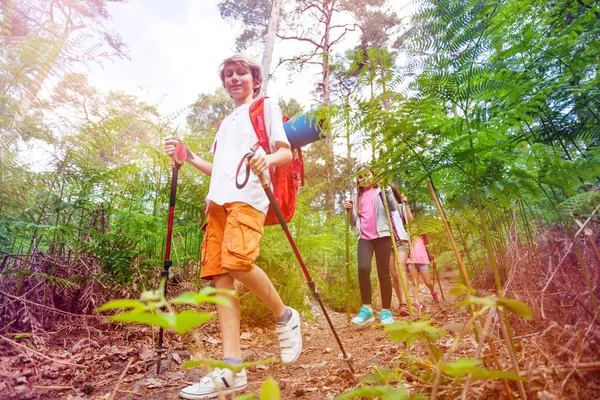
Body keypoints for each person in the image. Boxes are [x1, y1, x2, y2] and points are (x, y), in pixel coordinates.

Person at [164, 55, 302, 399]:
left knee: (238, 262)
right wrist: (190, 157)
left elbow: (284, 152)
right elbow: (221, 169)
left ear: (254, 79)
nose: (234, 79)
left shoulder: (265, 106)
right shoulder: (224, 124)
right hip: (217, 204)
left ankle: (284, 315)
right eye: (228, 75)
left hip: (249, 197)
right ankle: (230, 372)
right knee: (221, 282)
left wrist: (265, 159)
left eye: (241, 73)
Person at [344, 165, 397, 325]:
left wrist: (386, 187)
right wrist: (348, 211)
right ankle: (366, 309)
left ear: (374, 176)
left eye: (367, 175)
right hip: (364, 237)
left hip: (382, 235)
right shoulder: (356, 196)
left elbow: (393, 207)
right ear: (358, 181)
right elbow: (354, 222)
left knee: (383, 272)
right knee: (363, 268)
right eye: (360, 176)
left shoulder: (381, 191)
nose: (364, 178)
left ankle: (386, 311)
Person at [388, 186, 413, 316]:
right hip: (387, 244)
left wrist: (405, 204)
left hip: (401, 241)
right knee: (393, 274)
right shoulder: (380, 209)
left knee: (400, 269)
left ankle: (404, 303)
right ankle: (400, 303)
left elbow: (410, 220)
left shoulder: (400, 206)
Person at [406, 235, 440, 310]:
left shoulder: (423, 237)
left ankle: (433, 291)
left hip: (422, 261)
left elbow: (426, 249)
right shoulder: (408, 236)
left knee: (427, 282)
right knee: (415, 282)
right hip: (411, 261)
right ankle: (416, 302)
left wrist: (431, 259)